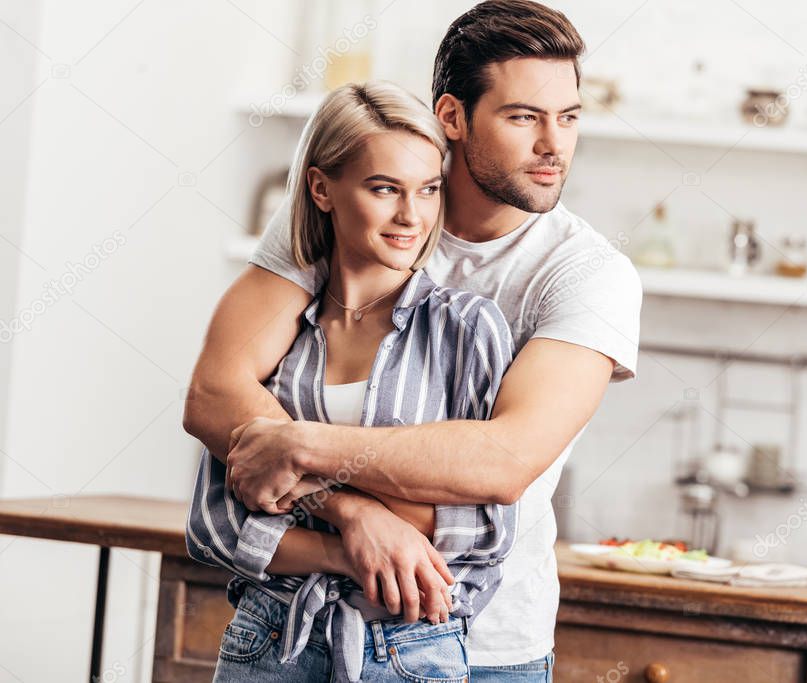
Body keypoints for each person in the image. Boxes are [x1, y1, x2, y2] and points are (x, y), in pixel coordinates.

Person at [184, 1, 643, 679]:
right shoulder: (356, 215)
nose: (554, 145)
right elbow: (215, 396)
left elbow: (501, 460)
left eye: (568, 117)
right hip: (290, 622)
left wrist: (299, 442)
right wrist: (352, 513)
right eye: (523, 117)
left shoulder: (587, 274)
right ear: (452, 116)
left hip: (482, 643)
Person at [186, 80, 518, 682]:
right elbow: (216, 523)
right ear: (321, 188)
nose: (411, 216)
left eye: (428, 189)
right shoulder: (281, 331)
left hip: (412, 648)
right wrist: (354, 530)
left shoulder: (467, 330)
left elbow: (479, 531)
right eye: (384, 188)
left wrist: (302, 499)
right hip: (271, 636)